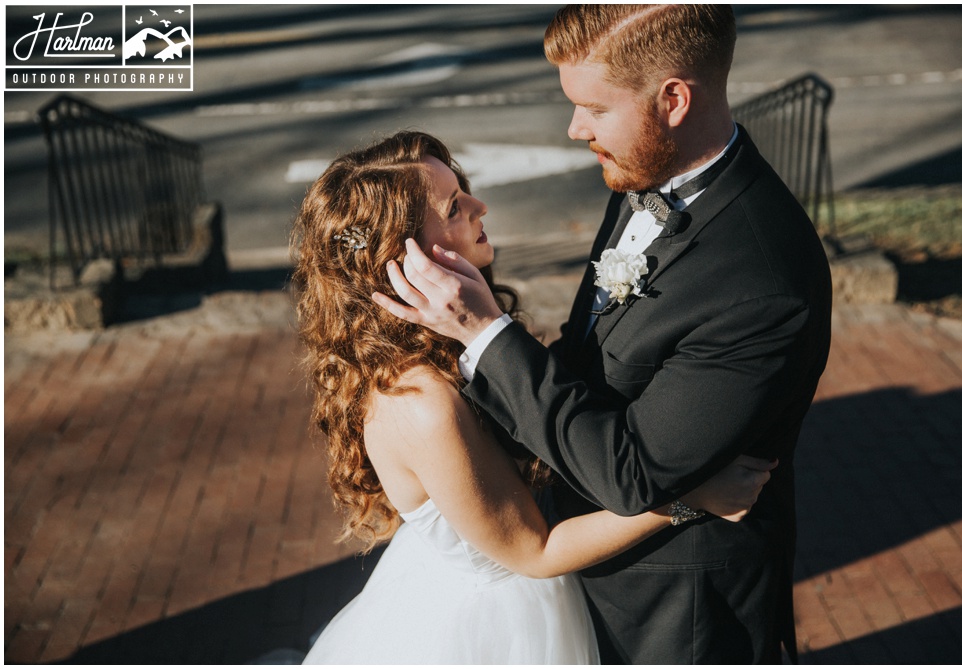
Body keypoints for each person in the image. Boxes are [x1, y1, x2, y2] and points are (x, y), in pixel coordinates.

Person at [372, 5, 833, 664]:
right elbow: (593, 357)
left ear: (673, 99)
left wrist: (485, 330)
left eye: (592, 107)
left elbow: (632, 473)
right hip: (581, 582)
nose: (573, 127)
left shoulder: (764, 282)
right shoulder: (647, 172)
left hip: (680, 619)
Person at [292, 130, 775, 664]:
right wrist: (689, 500)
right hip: (492, 626)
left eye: (464, 191)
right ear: (401, 260)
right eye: (455, 207)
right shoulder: (422, 403)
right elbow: (535, 551)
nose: (479, 206)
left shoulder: (442, 343)